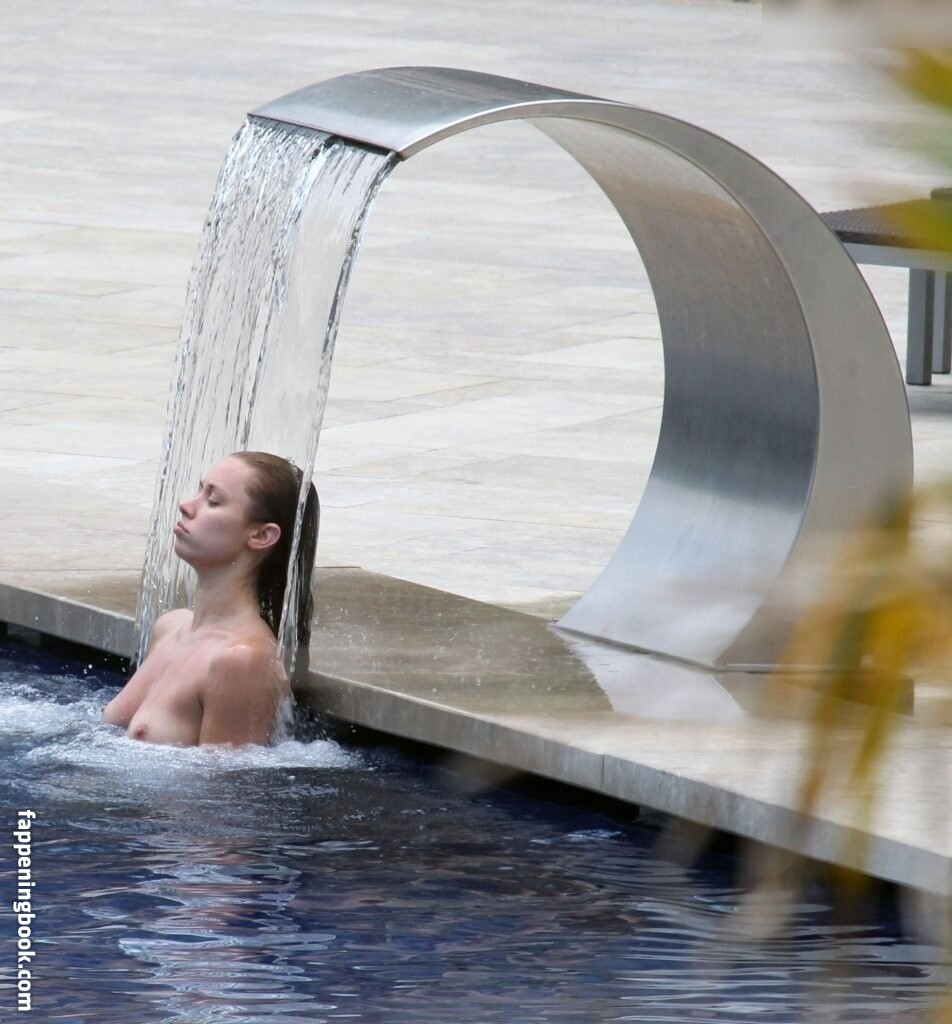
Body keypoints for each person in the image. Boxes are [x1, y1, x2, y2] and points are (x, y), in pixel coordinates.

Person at [102, 451, 319, 746]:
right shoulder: (170, 628)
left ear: (261, 536)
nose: (186, 505)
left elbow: (228, 777)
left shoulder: (242, 661)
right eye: (199, 490)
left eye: (213, 501)